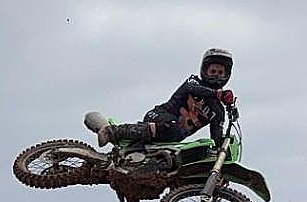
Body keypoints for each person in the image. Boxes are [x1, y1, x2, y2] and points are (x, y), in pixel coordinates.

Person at [85, 47, 237, 149]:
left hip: (171, 140)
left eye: (220, 73)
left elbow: (216, 137)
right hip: (160, 117)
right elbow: (192, 89)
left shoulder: (218, 111)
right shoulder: (194, 82)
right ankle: (111, 131)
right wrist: (217, 94)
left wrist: (223, 144)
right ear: (204, 70)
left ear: (227, 75)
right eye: (213, 71)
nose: (216, 76)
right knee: (173, 127)